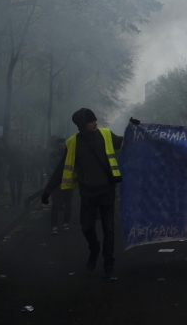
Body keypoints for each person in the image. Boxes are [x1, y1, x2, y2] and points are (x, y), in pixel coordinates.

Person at [42, 108, 132, 280]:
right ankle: (94, 248)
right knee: (87, 227)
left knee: (109, 229)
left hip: (107, 191)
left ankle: (109, 263)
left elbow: (125, 141)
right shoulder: (72, 143)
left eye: (95, 120)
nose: (95, 123)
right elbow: (61, 168)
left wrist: (134, 130)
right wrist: (48, 190)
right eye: (92, 121)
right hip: (88, 193)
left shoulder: (106, 134)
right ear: (82, 125)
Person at [49, 138, 73, 235]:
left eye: (64, 146)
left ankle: (65, 223)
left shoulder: (70, 155)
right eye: (60, 146)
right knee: (56, 205)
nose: (62, 148)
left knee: (68, 204)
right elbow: (50, 168)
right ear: (57, 146)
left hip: (67, 184)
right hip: (58, 184)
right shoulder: (53, 155)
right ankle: (55, 226)